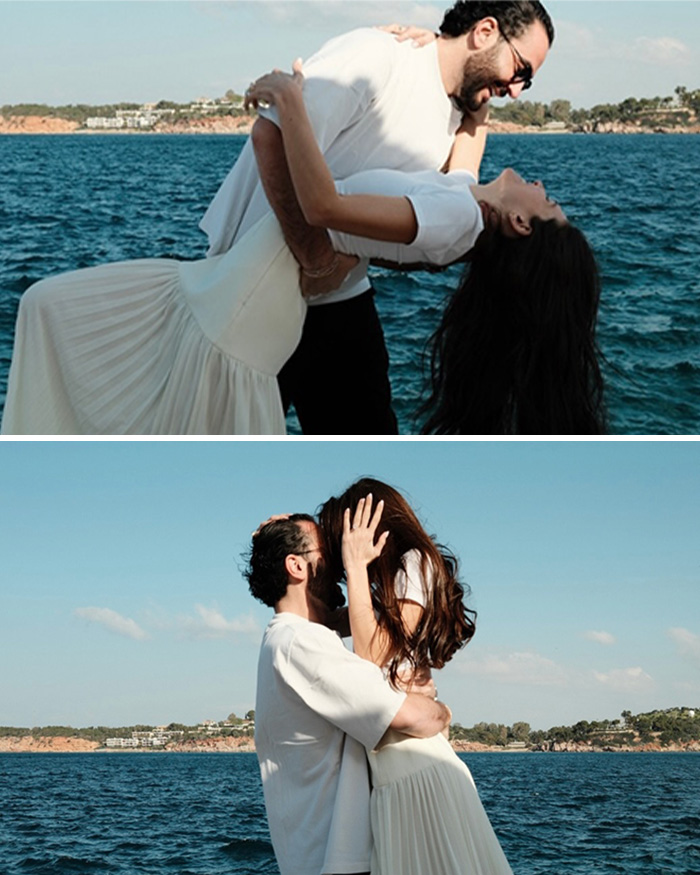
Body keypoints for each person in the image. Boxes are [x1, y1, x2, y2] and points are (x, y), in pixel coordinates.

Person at [1, 52, 601, 436]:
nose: (546, 186)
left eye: (550, 205)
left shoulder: (455, 218)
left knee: (51, 311)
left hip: (243, 303)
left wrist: (290, 101)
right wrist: (441, 50)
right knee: (48, 309)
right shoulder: (462, 202)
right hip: (229, 285)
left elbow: (323, 207)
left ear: (522, 226)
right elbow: (469, 140)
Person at [202, 1, 555, 434]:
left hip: (339, 298)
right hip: (254, 291)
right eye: (521, 70)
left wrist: (328, 272)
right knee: (232, 438)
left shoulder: (455, 114)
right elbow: (269, 135)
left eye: (528, 82)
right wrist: (317, 263)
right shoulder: (377, 56)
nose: (517, 91)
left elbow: (439, 207)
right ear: (484, 32)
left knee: (369, 443)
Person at [319, 478, 515, 875]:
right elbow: (322, 621)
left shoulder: (415, 562)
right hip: (396, 774)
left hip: (417, 771)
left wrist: (357, 567)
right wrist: (280, 539)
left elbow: (372, 655)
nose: (343, 558)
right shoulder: (383, 591)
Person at [244, 513, 452, 875]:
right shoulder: (299, 643)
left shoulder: (290, 641)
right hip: (339, 863)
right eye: (327, 554)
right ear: (296, 566)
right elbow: (409, 717)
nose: (340, 565)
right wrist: (440, 709)